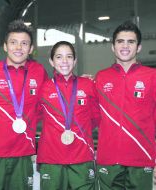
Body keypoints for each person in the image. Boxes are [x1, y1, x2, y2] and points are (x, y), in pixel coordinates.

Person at [0, 19, 48, 190]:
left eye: (24, 43)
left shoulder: (38, 72)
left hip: (23, 154)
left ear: (31, 49)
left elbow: (48, 103)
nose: (18, 48)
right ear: (5, 46)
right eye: (13, 43)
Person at [95, 21, 156, 190]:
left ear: (139, 47)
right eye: (120, 41)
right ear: (113, 47)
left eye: (131, 42)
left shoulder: (152, 76)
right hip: (108, 159)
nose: (125, 46)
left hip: (141, 158)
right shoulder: (100, 78)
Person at [36, 41, 100, 190]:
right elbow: (35, 115)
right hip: (51, 159)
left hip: (82, 157)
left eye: (69, 56)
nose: (64, 61)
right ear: (51, 61)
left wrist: (79, 132)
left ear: (75, 60)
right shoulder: (43, 88)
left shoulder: (88, 85)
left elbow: (96, 118)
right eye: (59, 57)